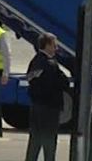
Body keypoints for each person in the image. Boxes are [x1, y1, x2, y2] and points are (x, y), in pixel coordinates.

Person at [25, 33, 70, 161]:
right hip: (49, 108)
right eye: (54, 45)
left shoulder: (36, 61)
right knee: (49, 142)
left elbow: (32, 80)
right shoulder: (49, 64)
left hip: (38, 106)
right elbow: (62, 83)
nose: (56, 48)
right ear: (48, 45)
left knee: (35, 140)